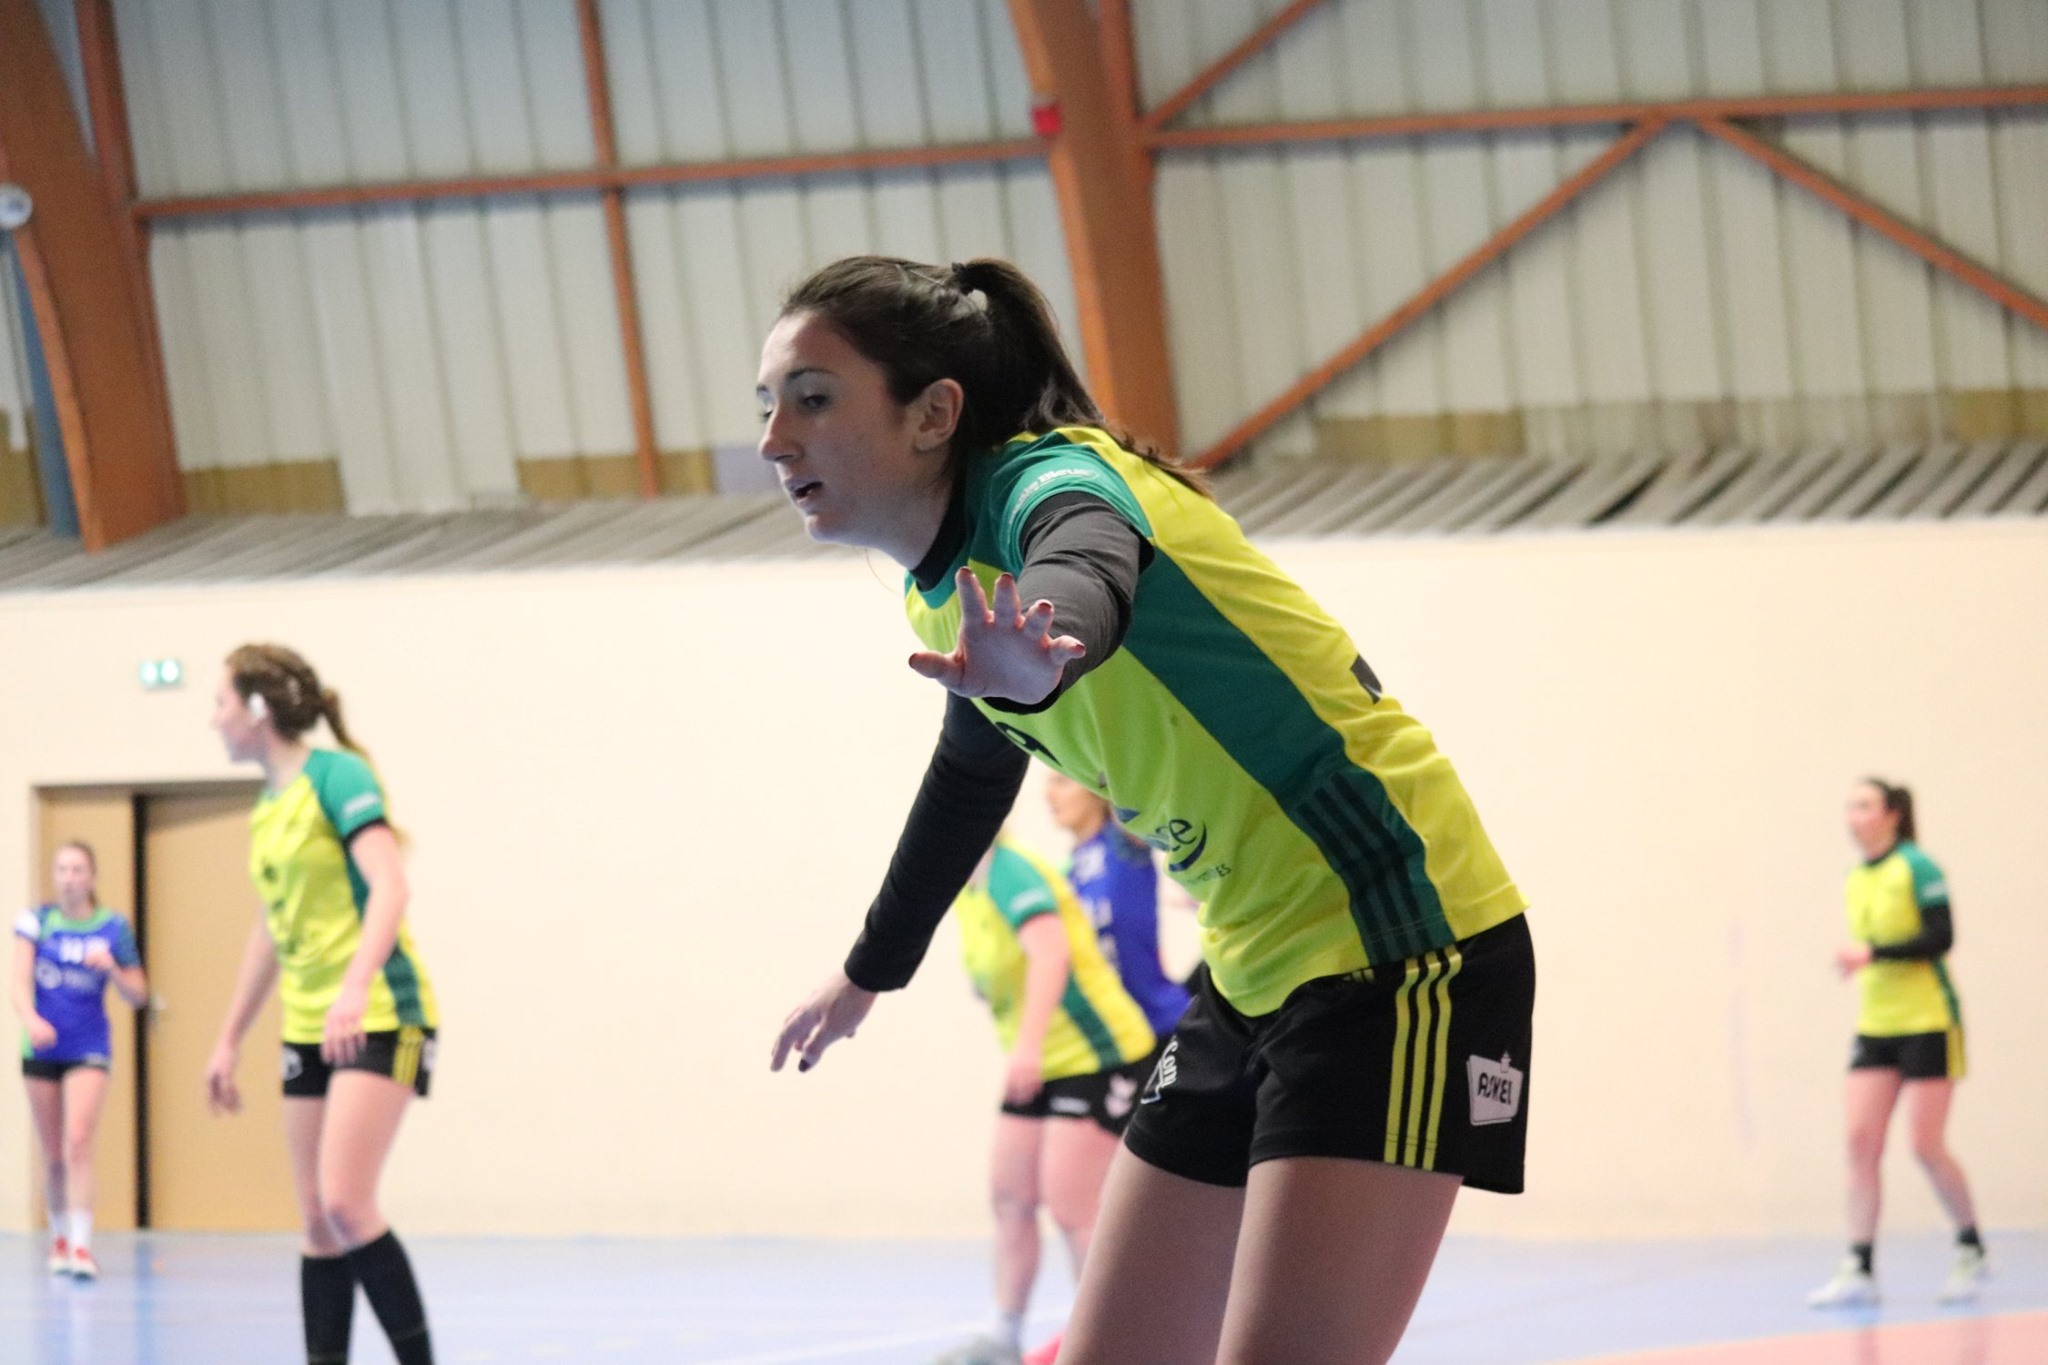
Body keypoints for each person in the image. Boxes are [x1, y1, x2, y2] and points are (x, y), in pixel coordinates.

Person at [764, 255, 1534, 1365]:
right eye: (768, 404)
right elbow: (970, 775)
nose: (774, 439)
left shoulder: (1050, 483)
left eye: (812, 398)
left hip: (1399, 941)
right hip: (1251, 967)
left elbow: (1087, 564)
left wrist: (1049, 646)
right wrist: (869, 970)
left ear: (933, 414)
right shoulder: (946, 592)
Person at [204, 644, 440, 1365]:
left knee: (345, 1202)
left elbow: (390, 886)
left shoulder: (338, 777)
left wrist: (354, 987)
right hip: (308, 1022)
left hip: (382, 1012)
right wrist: (229, 1037)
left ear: (257, 710)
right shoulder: (266, 810)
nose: (212, 719)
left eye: (220, 702)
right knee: (314, 1218)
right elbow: (269, 932)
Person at [933, 835, 1157, 1365]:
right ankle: (1003, 1333)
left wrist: (1027, 1048)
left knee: (1074, 1206)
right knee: (1011, 1194)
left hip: (1097, 1054)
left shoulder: (1010, 871)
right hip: (1044, 1059)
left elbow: (1051, 954)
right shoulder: (964, 885)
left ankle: (1107, 1342)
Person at [1808, 778, 1986, 1309]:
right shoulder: (1855, 876)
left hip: (1929, 1020)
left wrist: (1873, 954)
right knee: (1859, 1142)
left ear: (1891, 814)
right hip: (1876, 1024)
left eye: (1864, 806)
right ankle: (1858, 1266)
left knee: (1925, 1145)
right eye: (1849, 807)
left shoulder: (1918, 867)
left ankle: (1970, 1247)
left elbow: (1940, 937)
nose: (1853, 817)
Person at [12, 841, 146, 1279]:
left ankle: (82, 1246)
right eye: (62, 870)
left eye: (77, 870)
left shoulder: (113, 927)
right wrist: (31, 1019)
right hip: (42, 1047)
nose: (69, 879)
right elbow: (18, 981)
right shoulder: (37, 922)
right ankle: (59, 1237)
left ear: (92, 877)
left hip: (88, 1047)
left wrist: (112, 969)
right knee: (53, 1152)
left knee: (78, 1140)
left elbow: (138, 994)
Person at [1045, 772, 1190, 1041]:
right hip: (1118, 1037)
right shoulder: (1064, 875)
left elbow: (1123, 773)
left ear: (1092, 787)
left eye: (1062, 781)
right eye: (1048, 782)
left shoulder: (1123, 842)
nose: (1048, 794)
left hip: (1163, 1022)